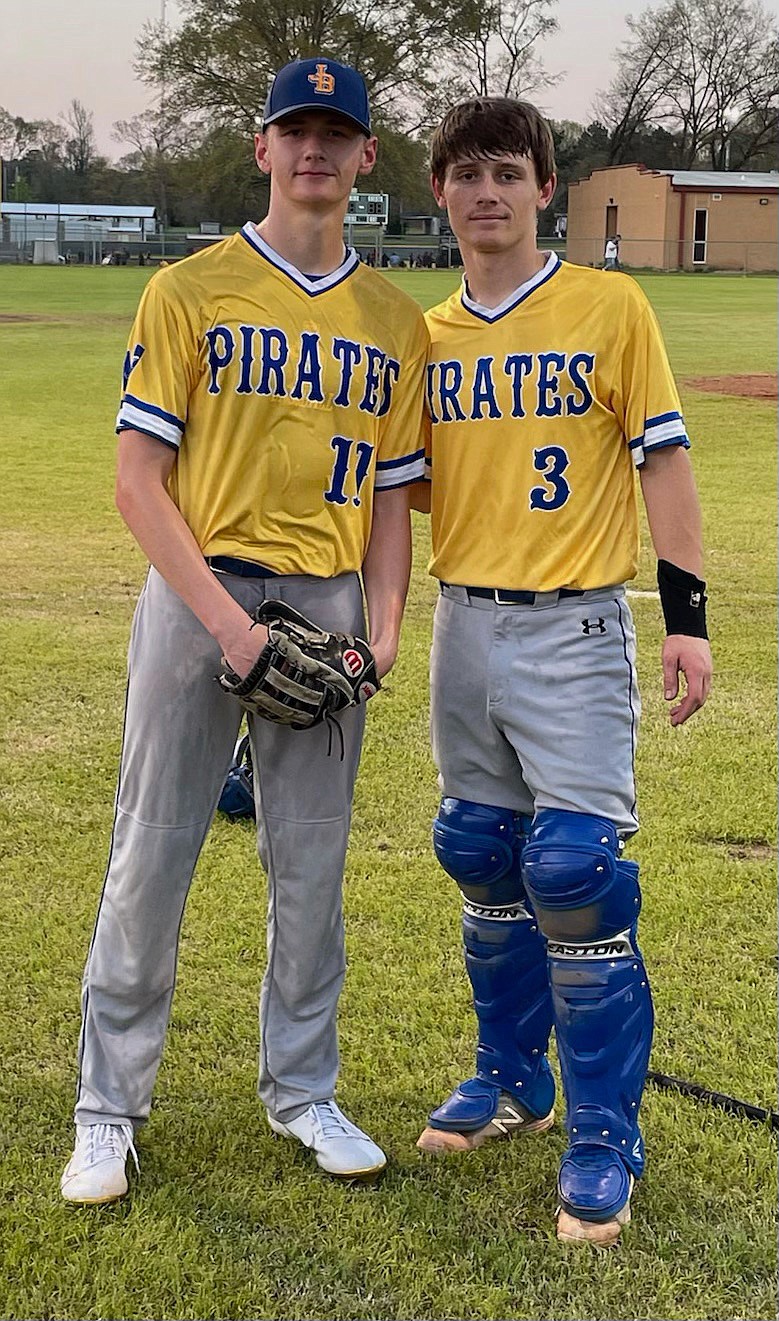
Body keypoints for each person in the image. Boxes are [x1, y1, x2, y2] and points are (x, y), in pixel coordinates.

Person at [60, 57, 428, 1205]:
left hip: (323, 601)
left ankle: (303, 1089)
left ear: (366, 159)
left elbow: (386, 503)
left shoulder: (393, 322)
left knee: (308, 866)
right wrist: (226, 626)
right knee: (152, 851)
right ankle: (106, 1112)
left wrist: (383, 633)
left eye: (336, 133)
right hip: (196, 591)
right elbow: (136, 482)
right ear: (261, 148)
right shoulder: (188, 289)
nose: (313, 149)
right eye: (294, 130)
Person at [411, 98, 712, 1246]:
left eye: (507, 171)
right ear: (438, 191)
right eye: (464, 172)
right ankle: (512, 1080)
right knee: (480, 853)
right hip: (462, 623)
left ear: (544, 187)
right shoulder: (425, 334)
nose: (485, 191)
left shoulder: (606, 305)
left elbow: (662, 458)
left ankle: (601, 1132)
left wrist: (683, 617)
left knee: (575, 870)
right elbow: (414, 488)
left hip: (574, 626)